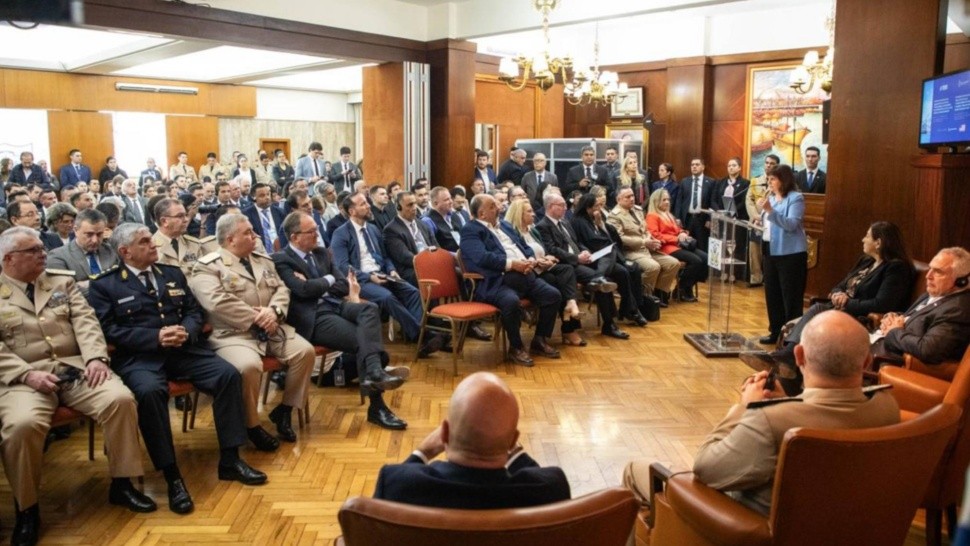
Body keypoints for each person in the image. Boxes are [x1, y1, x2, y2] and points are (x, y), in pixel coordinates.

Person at [623, 310, 900, 515]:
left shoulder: (770, 420)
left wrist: (745, 407)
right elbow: (830, 410)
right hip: (844, 525)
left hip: (749, 527)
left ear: (799, 356)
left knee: (636, 470)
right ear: (866, 361)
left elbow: (705, 469)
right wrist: (792, 401)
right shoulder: (887, 405)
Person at [88, 224, 267, 515]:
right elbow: (106, 330)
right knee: (149, 393)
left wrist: (186, 329)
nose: (152, 244)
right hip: (141, 357)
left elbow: (194, 311)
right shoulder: (105, 285)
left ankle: (230, 460)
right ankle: (172, 476)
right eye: (144, 242)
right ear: (125, 252)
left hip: (183, 350)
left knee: (227, 375)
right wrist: (154, 337)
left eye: (150, 239)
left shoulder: (171, 274)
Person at [0, 227, 155, 545]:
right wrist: (26, 375)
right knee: (21, 425)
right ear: (9, 259)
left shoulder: (60, 281)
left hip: (76, 369)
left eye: (43, 248)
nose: (43, 253)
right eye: (33, 251)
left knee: (120, 399)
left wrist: (96, 358)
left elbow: (86, 322)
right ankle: (27, 509)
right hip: (23, 380)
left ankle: (122, 483)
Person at [189, 214, 316, 449]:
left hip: (271, 327)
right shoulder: (207, 267)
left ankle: (285, 410)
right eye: (248, 232)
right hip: (233, 334)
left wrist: (274, 312)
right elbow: (217, 303)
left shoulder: (261, 259)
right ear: (230, 239)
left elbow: (282, 288)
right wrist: (258, 317)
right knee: (249, 366)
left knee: (304, 352)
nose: (255, 236)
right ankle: (252, 425)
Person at [273, 212, 409, 430]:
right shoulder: (281, 259)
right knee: (365, 343)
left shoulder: (321, 253)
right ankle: (377, 405)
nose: (318, 234)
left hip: (335, 305)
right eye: (312, 231)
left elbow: (343, 285)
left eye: (317, 229)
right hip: (314, 317)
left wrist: (317, 283)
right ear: (295, 237)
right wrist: (326, 280)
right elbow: (303, 290)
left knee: (369, 309)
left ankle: (374, 373)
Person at [374, 372, 570, 508]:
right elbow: (538, 478)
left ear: (444, 434)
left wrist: (423, 452)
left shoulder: (396, 485)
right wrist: (515, 452)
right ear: (512, 442)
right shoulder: (551, 490)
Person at [743, 221, 916, 372]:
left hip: (860, 317)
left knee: (818, 308)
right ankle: (788, 360)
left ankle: (787, 357)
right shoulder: (866, 261)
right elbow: (841, 284)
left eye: (867, 236)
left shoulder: (896, 268)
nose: (863, 239)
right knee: (817, 310)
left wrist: (848, 302)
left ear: (878, 243)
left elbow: (882, 304)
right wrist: (836, 293)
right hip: (840, 309)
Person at [459, 194, 562, 366]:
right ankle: (516, 347)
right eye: (492, 206)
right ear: (482, 214)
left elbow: (524, 247)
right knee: (511, 302)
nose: (498, 208)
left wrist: (533, 260)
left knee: (553, 295)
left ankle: (539, 339)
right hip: (496, 282)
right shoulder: (470, 230)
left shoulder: (505, 225)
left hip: (524, 275)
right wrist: (512, 264)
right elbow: (482, 258)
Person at [329, 193, 435, 353]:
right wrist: (369, 277)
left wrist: (391, 269)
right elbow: (343, 266)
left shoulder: (373, 229)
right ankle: (422, 335)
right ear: (352, 211)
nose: (368, 206)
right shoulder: (341, 233)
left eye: (367, 203)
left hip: (382, 273)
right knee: (387, 297)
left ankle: (418, 336)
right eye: (363, 204)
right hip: (359, 281)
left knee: (412, 292)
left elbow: (385, 257)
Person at [536, 192, 628, 341]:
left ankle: (609, 323)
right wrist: (576, 258)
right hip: (565, 265)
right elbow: (552, 250)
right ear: (551, 207)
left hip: (579, 261)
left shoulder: (565, 222)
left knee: (605, 274)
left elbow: (576, 242)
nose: (566, 208)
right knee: (600, 281)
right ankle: (607, 324)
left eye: (565, 205)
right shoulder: (543, 226)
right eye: (562, 205)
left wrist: (585, 251)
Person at [504, 199, 584, 345]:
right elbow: (519, 257)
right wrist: (538, 261)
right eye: (529, 211)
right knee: (558, 285)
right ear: (518, 214)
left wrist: (548, 258)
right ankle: (566, 328)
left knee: (567, 270)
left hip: (543, 268)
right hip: (529, 272)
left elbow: (545, 250)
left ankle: (570, 307)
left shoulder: (532, 230)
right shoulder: (513, 233)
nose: (534, 214)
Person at [871, 247, 970, 365]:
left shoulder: (957, 310)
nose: (928, 276)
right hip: (875, 343)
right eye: (930, 268)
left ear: (961, 281)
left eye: (938, 272)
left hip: (886, 359)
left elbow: (927, 350)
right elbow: (913, 318)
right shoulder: (933, 294)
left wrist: (894, 331)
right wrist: (892, 317)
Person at [571, 193, 648, 326]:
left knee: (624, 271)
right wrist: (606, 241)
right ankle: (600, 278)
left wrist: (599, 224)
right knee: (613, 252)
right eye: (596, 206)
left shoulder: (594, 218)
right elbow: (593, 241)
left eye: (600, 206)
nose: (599, 209)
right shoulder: (579, 221)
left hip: (603, 258)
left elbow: (608, 236)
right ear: (587, 208)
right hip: (591, 259)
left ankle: (632, 310)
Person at [755, 164, 807, 345]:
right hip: (770, 250)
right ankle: (775, 331)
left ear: (783, 180)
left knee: (790, 295)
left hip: (791, 254)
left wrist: (769, 211)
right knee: (772, 293)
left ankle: (792, 336)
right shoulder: (771, 198)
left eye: (773, 179)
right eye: (768, 179)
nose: (769, 182)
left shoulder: (796, 198)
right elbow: (768, 224)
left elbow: (791, 224)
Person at [607, 187, 680, 307]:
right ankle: (638, 296)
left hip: (647, 248)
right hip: (630, 251)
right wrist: (643, 242)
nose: (632, 199)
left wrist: (652, 239)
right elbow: (619, 239)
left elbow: (645, 230)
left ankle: (657, 294)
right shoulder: (614, 216)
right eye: (627, 197)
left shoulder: (638, 210)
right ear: (618, 199)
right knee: (653, 267)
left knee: (673, 263)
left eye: (632, 196)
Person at [646, 189, 707, 303]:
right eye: (664, 200)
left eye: (668, 199)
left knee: (705, 258)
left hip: (679, 245)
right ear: (656, 201)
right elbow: (655, 235)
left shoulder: (669, 214)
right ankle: (683, 288)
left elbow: (677, 230)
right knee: (696, 261)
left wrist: (682, 233)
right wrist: (676, 238)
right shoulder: (652, 216)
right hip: (666, 248)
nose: (667, 202)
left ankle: (685, 286)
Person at [46, 208, 119, 295]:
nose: (95, 240)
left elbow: (125, 280)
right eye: (89, 234)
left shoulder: (111, 251)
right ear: (76, 230)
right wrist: (110, 283)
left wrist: (88, 284)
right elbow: (65, 292)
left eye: (99, 234)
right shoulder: (57, 257)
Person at [383, 191, 438, 287]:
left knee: (454, 270)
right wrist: (429, 262)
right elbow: (405, 257)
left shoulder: (422, 224)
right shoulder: (391, 229)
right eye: (410, 205)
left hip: (430, 263)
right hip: (411, 270)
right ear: (398, 207)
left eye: (415, 203)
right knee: (435, 274)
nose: (414, 208)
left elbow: (436, 246)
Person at [151, 198, 218, 276]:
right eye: (180, 216)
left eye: (186, 215)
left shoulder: (194, 244)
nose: (186, 219)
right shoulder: (151, 247)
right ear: (164, 221)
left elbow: (204, 273)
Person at [712, 157, 751, 281]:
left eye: (734, 165)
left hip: (736, 220)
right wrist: (720, 211)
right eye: (729, 165)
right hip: (721, 219)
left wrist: (732, 212)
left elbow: (744, 201)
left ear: (739, 167)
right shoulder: (720, 182)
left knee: (735, 246)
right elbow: (713, 199)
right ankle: (722, 271)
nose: (731, 168)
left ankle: (733, 273)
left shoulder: (745, 183)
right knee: (723, 245)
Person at [746, 154, 779, 287]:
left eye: (772, 163)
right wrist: (755, 216)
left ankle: (769, 278)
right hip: (756, 221)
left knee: (768, 250)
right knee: (755, 250)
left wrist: (764, 217)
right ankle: (756, 277)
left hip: (771, 222)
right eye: (767, 163)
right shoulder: (755, 181)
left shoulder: (779, 183)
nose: (768, 165)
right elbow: (749, 200)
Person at [674, 157, 714, 253]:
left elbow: (712, 202)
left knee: (702, 246)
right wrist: (677, 218)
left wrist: (710, 218)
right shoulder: (685, 181)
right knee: (686, 245)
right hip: (687, 219)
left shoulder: (710, 182)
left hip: (702, 220)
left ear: (703, 167)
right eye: (692, 165)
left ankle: (702, 267)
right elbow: (679, 201)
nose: (694, 167)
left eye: (697, 164)